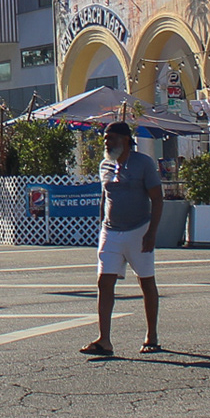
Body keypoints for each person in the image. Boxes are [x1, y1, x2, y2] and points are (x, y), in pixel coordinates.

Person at [83, 121, 165, 357]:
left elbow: (157, 199)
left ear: (126, 140)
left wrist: (152, 232)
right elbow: (104, 197)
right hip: (111, 231)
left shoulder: (143, 164)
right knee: (104, 282)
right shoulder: (105, 165)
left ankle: (152, 336)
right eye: (106, 139)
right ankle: (104, 340)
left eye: (112, 138)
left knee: (146, 282)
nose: (108, 143)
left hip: (139, 230)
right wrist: (101, 227)